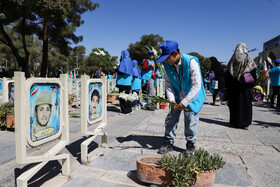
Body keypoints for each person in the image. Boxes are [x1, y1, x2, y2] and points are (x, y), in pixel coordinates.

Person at [156, 40, 206, 156]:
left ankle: (190, 143)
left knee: (190, 118)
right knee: (171, 117)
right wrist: (172, 100)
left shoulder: (191, 62)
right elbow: (168, 84)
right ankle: (168, 141)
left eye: (167, 58)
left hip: (192, 94)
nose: (166, 61)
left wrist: (185, 102)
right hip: (178, 94)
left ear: (175, 53)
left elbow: (197, 85)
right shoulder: (167, 65)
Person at [225, 43, 257, 130]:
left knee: (234, 105)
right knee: (245, 105)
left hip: (234, 88)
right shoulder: (250, 60)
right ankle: (245, 123)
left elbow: (227, 75)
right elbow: (254, 76)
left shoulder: (232, 60)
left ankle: (234, 122)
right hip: (245, 89)